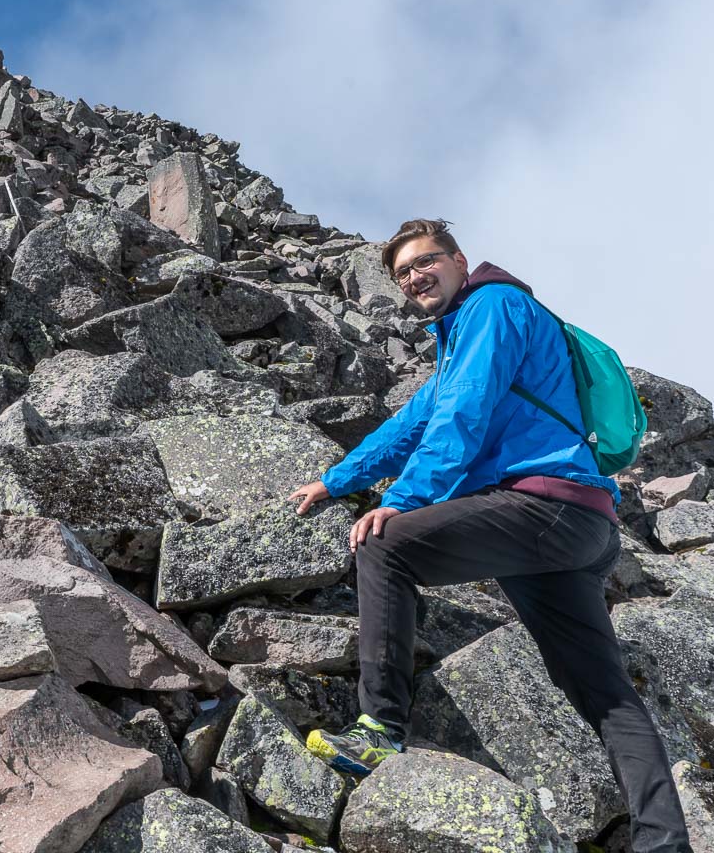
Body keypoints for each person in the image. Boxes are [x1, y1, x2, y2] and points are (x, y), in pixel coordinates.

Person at [286, 218, 690, 853]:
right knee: (602, 693)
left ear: (459, 260)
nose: (415, 277)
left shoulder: (494, 306)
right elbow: (412, 422)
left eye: (426, 262)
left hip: (544, 507)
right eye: (402, 274)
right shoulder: (458, 338)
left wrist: (401, 502)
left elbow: (463, 412)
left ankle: (378, 729)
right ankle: (664, 842)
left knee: (386, 546)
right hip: (573, 528)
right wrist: (335, 482)